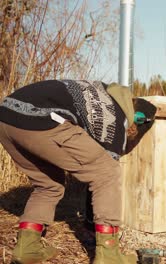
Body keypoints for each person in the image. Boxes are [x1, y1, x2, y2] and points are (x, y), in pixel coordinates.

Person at [0, 80, 155, 263]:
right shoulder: (114, 120)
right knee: (108, 172)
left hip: (6, 116)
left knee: (49, 185)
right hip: (42, 118)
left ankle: (27, 248)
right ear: (135, 120)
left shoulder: (103, 92)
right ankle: (109, 255)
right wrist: (91, 225)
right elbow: (102, 178)